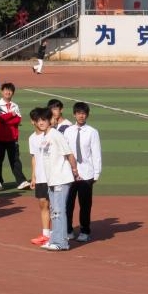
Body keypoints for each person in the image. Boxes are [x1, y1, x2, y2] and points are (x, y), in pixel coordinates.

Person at [27, 107, 78, 251]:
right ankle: (55, 239)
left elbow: (69, 154)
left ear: (50, 120)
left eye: (44, 120)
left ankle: (62, 242)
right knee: (55, 211)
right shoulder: (44, 136)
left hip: (61, 178)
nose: (41, 123)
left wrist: (75, 170)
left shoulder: (56, 135)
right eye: (38, 120)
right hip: (52, 180)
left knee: (59, 211)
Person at [63, 102, 102, 242]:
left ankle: (85, 231)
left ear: (87, 115)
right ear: (74, 114)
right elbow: (65, 152)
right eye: (79, 113)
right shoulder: (68, 131)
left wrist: (96, 173)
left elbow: (96, 153)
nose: (81, 115)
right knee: (68, 204)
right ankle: (68, 230)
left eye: (84, 113)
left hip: (86, 173)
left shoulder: (92, 132)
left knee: (85, 205)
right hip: (69, 173)